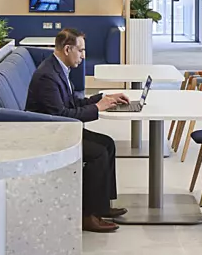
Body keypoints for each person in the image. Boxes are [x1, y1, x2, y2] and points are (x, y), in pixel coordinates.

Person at [25, 29, 129, 232]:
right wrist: (97, 108)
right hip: (49, 133)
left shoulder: (58, 69)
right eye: (80, 51)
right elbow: (63, 115)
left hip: (59, 128)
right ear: (67, 49)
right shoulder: (48, 76)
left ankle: (102, 206)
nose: (83, 56)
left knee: (107, 143)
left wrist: (102, 98)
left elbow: (73, 103)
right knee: (98, 153)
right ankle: (87, 216)